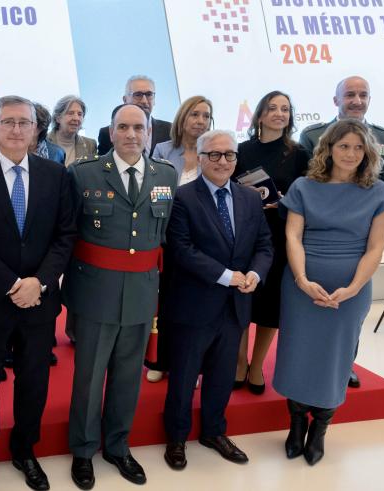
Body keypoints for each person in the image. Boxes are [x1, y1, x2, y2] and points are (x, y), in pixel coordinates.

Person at [0, 95, 77, 491]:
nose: (16, 129)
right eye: (7, 122)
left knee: (34, 381)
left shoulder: (56, 175)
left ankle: (25, 450)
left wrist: (37, 283)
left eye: (24, 122)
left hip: (39, 301)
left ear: (36, 129)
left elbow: (65, 237)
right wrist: (11, 284)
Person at [63, 104, 177, 488]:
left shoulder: (166, 175)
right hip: (96, 291)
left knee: (129, 376)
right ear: (111, 132)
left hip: (143, 293)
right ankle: (82, 449)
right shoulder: (84, 174)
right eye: (123, 127)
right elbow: (67, 233)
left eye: (138, 127)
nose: (131, 134)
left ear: (149, 133)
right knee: (90, 377)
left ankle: (117, 445)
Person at [274, 119, 384, 466]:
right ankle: (297, 423)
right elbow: (293, 237)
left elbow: (376, 248)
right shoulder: (303, 187)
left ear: (368, 152)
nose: (351, 153)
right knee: (298, 351)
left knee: (336, 357)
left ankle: (321, 430)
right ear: (328, 148)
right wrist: (301, 279)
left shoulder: (380, 193)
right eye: (343, 146)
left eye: (358, 147)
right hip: (302, 285)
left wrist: (354, 287)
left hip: (351, 289)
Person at [161, 129, 273, 471]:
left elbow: (264, 246)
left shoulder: (250, 198)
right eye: (214, 155)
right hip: (194, 304)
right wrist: (226, 276)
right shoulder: (182, 197)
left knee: (222, 375)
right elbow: (180, 248)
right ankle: (177, 439)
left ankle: (213, 431)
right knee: (183, 377)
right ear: (200, 155)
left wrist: (255, 274)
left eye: (229, 155)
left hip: (236, 305)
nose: (222, 161)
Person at [299, 75, 384, 389]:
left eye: (363, 94)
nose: (356, 100)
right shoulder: (313, 135)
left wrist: (364, 210)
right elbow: (307, 183)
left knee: (350, 311)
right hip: (318, 236)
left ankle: (345, 365)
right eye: (349, 95)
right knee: (311, 309)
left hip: (359, 238)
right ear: (336, 100)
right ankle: (307, 366)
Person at [232, 91, 311, 395]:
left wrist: (285, 203)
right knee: (242, 300)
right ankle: (239, 362)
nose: (280, 113)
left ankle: (256, 366)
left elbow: (307, 194)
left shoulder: (299, 153)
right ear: (260, 115)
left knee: (269, 306)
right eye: (273, 108)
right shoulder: (241, 150)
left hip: (280, 235)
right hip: (245, 235)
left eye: (286, 109)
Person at [145, 95, 214, 383]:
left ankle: (194, 366)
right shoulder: (161, 149)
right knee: (165, 304)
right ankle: (160, 360)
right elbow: (152, 192)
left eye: (206, 115)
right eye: (194, 115)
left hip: (203, 242)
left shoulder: (213, 152)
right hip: (166, 239)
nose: (200, 121)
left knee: (196, 307)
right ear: (182, 119)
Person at [97, 75, 172, 156]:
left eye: (149, 94)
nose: (144, 100)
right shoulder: (107, 133)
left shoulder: (170, 130)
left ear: (154, 99)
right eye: (138, 95)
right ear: (125, 100)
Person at [48, 95, 97, 166]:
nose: (76, 118)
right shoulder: (42, 142)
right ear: (58, 118)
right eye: (70, 113)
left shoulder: (90, 145)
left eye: (80, 114)